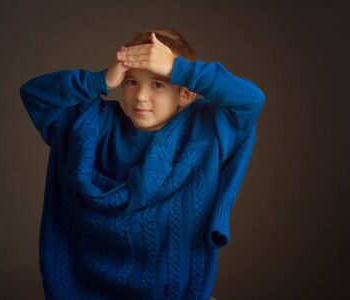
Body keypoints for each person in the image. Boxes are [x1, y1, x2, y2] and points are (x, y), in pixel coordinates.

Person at [19, 27, 265, 300]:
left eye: (158, 84)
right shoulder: (90, 125)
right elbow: (34, 93)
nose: (140, 97)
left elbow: (252, 100)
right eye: (131, 82)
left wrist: (179, 69)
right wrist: (100, 80)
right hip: (88, 288)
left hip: (173, 292)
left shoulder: (204, 132)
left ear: (186, 94)